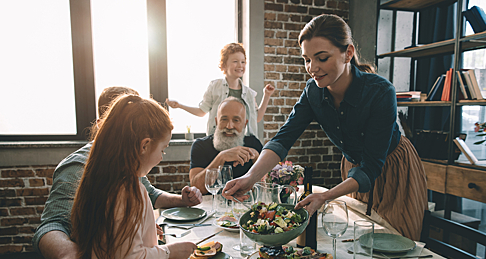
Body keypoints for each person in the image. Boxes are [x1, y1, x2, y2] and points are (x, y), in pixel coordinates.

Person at [224, 14, 428, 241]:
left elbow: (371, 166)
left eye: (322, 58)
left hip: (393, 167)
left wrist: (327, 196)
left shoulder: (380, 92)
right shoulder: (313, 91)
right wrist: (251, 177)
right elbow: (283, 139)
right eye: (307, 59)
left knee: (397, 245)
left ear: (348, 53)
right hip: (353, 171)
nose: (313, 68)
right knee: (359, 240)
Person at [33, 86, 202, 259]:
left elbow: (149, 194)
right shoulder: (78, 166)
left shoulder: (126, 161)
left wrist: (181, 200)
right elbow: (50, 226)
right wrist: (73, 254)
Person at [70, 94, 196, 259]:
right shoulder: (129, 190)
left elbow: (118, 239)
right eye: (162, 149)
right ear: (144, 145)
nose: (162, 156)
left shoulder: (105, 180)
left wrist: (149, 233)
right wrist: (171, 251)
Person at [165, 42, 276, 136]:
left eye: (243, 62)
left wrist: (266, 95)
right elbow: (201, 112)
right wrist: (180, 106)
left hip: (241, 143)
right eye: (235, 61)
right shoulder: (215, 87)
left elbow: (256, 118)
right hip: (217, 141)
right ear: (224, 65)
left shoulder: (249, 93)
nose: (240, 65)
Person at [189, 96, 262, 194]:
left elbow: (268, 186)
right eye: (224, 119)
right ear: (216, 121)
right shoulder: (200, 145)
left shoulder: (254, 144)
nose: (229, 126)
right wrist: (221, 157)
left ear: (245, 124)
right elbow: (196, 188)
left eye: (236, 120)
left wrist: (257, 158)